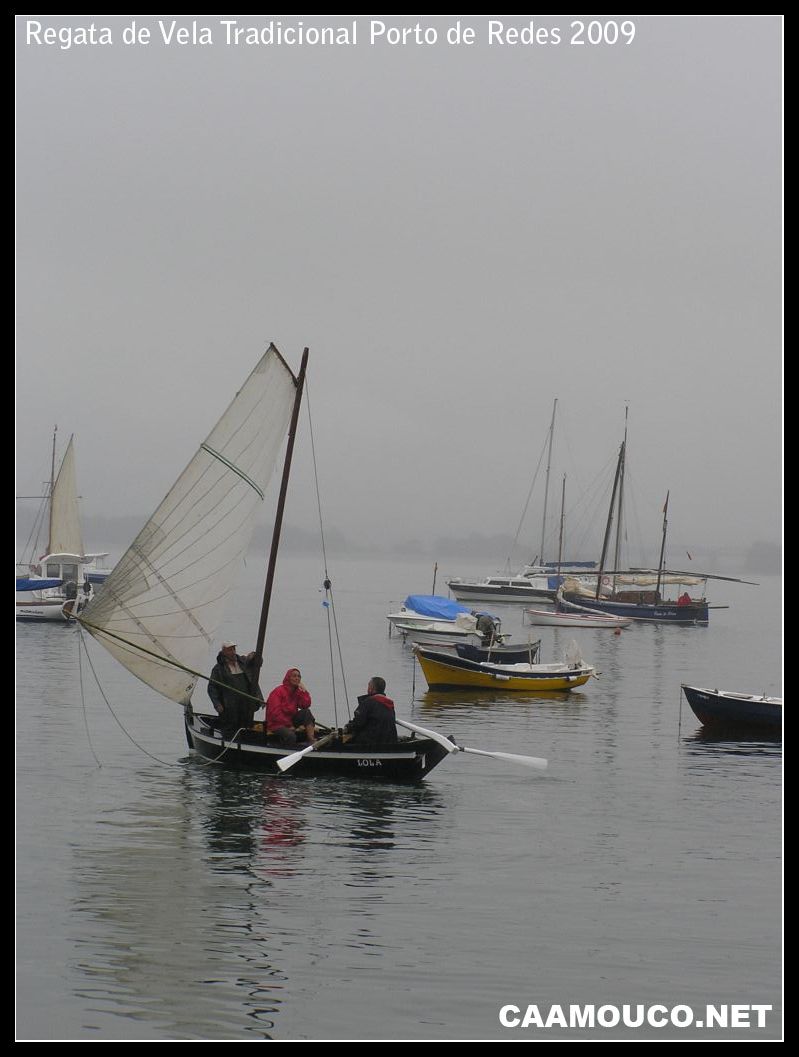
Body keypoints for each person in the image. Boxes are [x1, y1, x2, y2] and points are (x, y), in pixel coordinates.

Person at [207, 641, 263, 735]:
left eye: (234, 649)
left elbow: (258, 663)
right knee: (230, 727)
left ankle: (244, 742)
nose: (233, 652)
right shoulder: (218, 669)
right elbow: (212, 687)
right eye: (229, 650)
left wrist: (255, 655)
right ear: (224, 652)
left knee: (245, 726)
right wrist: (217, 704)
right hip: (229, 705)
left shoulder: (243, 662)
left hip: (246, 703)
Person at [265, 668, 316, 746]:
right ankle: (287, 752)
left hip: (289, 722)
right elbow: (274, 713)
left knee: (306, 712)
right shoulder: (278, 691)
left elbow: (306, 705)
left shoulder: (297, 692)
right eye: (294, 676)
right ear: (288, 678)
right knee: (291, 736)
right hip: (275, 724)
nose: (297, 678)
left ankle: (311, 740)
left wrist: (304, 691)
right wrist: (289, 725)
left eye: (299, 676)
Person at [344, 677, 398, 748]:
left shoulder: (368, 702)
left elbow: (358, 723)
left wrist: (347, 728)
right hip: (389, 741)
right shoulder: (389, 704)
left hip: (371, 742)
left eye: (368, 686)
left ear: (371, 688)